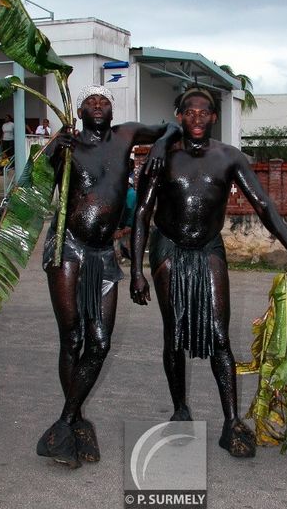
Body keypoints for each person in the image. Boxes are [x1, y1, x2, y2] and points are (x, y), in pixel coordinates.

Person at [130, 87, 287, 458]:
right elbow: (142, 215)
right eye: (190, 112)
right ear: (179, 115)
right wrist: (136, 269)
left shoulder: (230, 158)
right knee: (174, 332)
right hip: (168, 248)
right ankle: (179, 409)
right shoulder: (162, 157)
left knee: (219, 334)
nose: (197, 118)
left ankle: (231, 422)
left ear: (215, 117)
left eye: (205, 112)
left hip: (209, 247)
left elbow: (262, 203)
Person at [36, 85, 182, 468]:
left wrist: (162, 146)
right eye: (91, 102)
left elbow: (170, 126)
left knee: (99, 342)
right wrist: (54, 149)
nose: (98, 105)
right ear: (80, 111)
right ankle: (76, 424)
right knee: (73, 338)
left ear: (112, 112)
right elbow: (39, 182)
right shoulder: (67, 145)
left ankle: (67, 420)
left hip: (103, 254)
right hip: (67, 247)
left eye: (105, 102)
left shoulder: (127, 135)